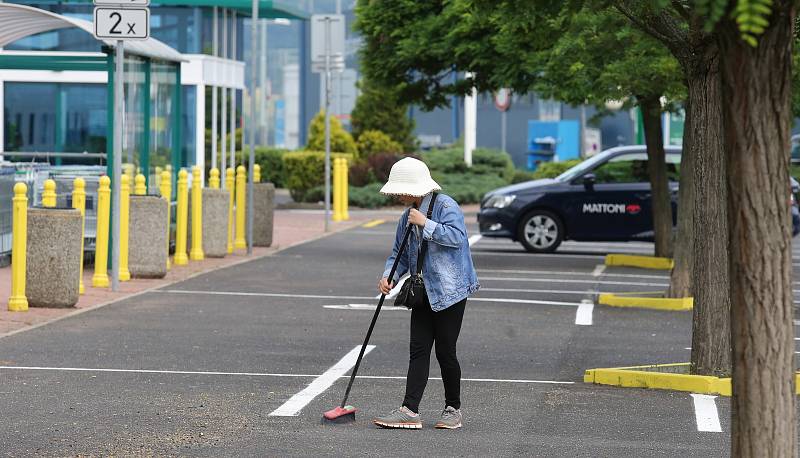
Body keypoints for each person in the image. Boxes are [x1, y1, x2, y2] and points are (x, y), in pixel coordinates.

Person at [372, 157, 480, 430]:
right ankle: (410, 410)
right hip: (422, 291)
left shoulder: (446, 206)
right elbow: (398, 253)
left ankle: (452, 410)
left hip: (451, 292)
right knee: (418, 349)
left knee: (446, 351)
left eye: (399, 189)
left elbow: (458, 238)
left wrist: (426, 224)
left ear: (414, 188)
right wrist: (389, 276)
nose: (397, 194)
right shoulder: (406, 217)